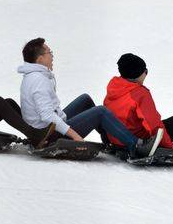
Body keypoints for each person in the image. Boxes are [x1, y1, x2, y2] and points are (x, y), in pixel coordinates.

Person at [17, 38, 163, 158]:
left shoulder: (35, 76)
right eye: (50, 52)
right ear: (41, 59)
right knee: (101, 112)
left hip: (50, 127)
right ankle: (136, 145)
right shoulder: (38, 81)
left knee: (85, 99)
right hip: (49, 136)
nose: (52, 55)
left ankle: (110, 137)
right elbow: (47, 115)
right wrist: (75, 137)